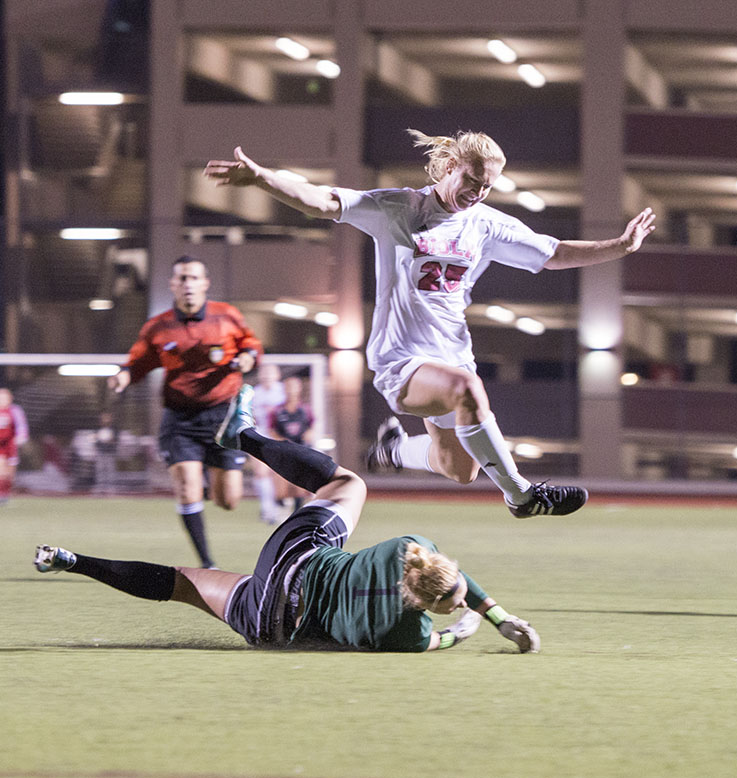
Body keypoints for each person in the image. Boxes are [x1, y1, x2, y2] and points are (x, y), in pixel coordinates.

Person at [204, 130, 656, 518]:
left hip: (451, 356)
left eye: (488, 186)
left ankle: (394, 450)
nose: (478, 192)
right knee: (467, 391)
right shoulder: (400, 209)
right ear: (451, 166)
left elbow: (553, 253)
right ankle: (521, 495)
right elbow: (324, 202)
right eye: (473, 180)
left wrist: (619, 246)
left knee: (460, 469)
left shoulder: (485, 225)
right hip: (400, 361)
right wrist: (262, 178)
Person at [34, 384, 540, 654]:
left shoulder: (404, 548)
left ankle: (245, 437)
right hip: (270, 623)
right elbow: (443, 637)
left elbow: (455, 580)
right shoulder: (405, 637)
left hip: (291, 559)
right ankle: (72, 562)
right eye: (453, 602)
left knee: (349, 485)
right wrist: (481, 623)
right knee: (183, 584)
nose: (457, 605)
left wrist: (487, 608)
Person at [109, 255, 263, 568]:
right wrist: (123, 376)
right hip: (181, 420)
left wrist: (248, 358)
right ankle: (208, 564)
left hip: (223, 418)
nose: (188, 284)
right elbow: (138, 361)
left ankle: (206, 478)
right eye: (181, 278)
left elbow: (251, 345)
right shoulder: (158, 326)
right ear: (172, 285)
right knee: (186, 489)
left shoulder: (226, 316)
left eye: (193, 278)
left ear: (205, 283)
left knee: (228, 501)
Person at [270, 375, 315, 515]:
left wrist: (308, 435)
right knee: (281, 482)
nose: (291, 390)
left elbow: (312, 427)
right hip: (284, 451)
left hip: (301, 450)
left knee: (300, 482)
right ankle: (279, 507)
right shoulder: (277, 410)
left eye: (294, 386)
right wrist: (283, 442)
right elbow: (271, 430)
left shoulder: (305, 409)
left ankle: (298, 510)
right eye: (288, 386)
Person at [251, 362, 287, 523]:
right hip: (260, 435)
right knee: (260, 471)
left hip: (280, 437)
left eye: (270, 373)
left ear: (277, 375)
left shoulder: (283, 392)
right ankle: (267, 509)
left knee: (281, 474)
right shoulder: (253, 394)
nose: (266, 376)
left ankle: (284, 504)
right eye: (263, 373)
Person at [0, 387, 30, 504]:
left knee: (9, 473)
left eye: (5, 397)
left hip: (11, 445)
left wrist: (21, 438)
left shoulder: (15, 411)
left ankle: (5, 494)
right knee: (1, 468)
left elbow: (22, 426)